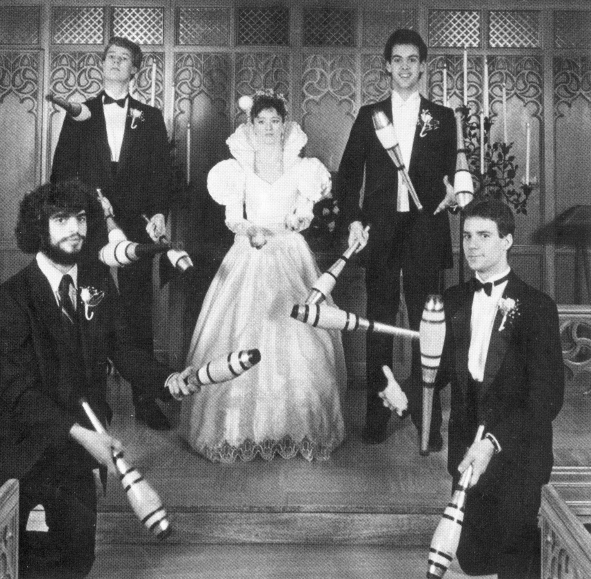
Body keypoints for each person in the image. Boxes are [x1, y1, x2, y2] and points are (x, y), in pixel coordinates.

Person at [0, 180, 196, 579]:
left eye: (80, 218)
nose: (75, 228)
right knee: (34, 567)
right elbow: (20, 394)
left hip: (77, 459)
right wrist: (85, 435)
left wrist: (167, 380)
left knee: (78, 564)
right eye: (61, 220)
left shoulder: (95, 278)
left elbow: (121, 347)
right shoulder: (10, 297)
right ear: (38, 228)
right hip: (23, 457)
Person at [179, 91, 347, 462]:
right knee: (240, 331)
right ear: (251, 125)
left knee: (301, 335)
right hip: (249, 252)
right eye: (261, 122)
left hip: (289, 252)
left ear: (285, 124)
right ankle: (240, 431)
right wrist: (249, 230)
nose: (269, 128)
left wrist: (297, 221)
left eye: (275, 122)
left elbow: (305, 213)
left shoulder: (303, 168)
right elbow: (232, 218)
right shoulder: (235, 169)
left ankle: (294, 427)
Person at [337, 29, 457, 447]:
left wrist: (453, 192)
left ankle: (429, 420)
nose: (405, 67)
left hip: (425, 232)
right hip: (382, 232)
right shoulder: (370, 114)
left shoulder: (443, 117)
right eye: (398, 59)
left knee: (431, 329)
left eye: (413, 60)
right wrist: (352, 220)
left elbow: (451, 178)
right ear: (387, 65)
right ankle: (376, 415)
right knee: (380, 326)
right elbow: (348, 174)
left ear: (423, 66)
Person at [435, 198, 564, 578]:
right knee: (475, 562)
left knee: (514, 565)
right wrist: (406, 393)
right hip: (466, 458)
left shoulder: (538, 307)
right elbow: (439, 370)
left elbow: (547, 397)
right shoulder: (454, 299)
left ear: (507, 240)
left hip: (516, 458)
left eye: (484, 236)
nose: (472, 245)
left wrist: (492, 442)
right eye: (467, 236)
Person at [51, 36, 174, 430]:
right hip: (89, 225)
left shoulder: (150, 117)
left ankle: (146, 400)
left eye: (125, 58)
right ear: (102, 66)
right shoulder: (79, 113)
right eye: (111, 57)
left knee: (138, 311)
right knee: (89, 304)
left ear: (134, 69)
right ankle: (87, 404)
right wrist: (78, 212)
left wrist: (157, 213)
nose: (117, 62)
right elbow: (61, 172)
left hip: (137, 225)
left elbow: (162, 173)